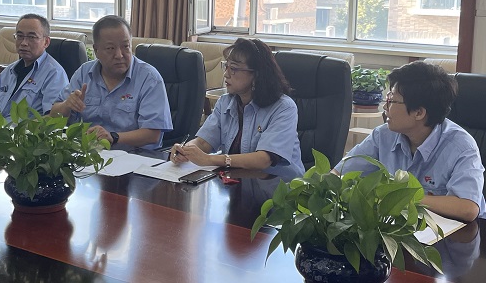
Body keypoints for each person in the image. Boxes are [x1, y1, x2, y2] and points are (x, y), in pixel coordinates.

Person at [333, 61, 486, 222]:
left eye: (392, 101)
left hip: (456, 234)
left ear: (418, 113)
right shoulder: (383, 135)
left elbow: (468, 208)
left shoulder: (461, 146)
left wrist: (401, 197)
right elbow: (339, 173)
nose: (385, 107)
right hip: (398, 227)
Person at [171, 38, 305, 180]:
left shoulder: (283, 108)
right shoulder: (225, 102)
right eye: (226, 66)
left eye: (234, 69)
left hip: (280, 187)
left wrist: (209, 159)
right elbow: (203, 142)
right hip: (238, 183)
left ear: (256, 74)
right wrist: (185, 150)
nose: (226, 74)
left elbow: (264, 159)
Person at [51, 15, 172, 150]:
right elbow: (53, 116)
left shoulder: (149, 78)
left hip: (135, 156)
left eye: (125, 46)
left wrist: (113, 137)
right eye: (110, 48)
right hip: (88, 153)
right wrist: (67, 105)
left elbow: (153, 134)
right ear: (96, 51)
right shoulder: (84, 73)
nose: (119, 55)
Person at [0, 14, 68, 118]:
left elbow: (52, 117)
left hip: (26, 128)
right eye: (20, 36)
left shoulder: (54, 74)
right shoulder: (8, 71)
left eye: (31, 37)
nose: (24, 43)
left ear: (46, 42)